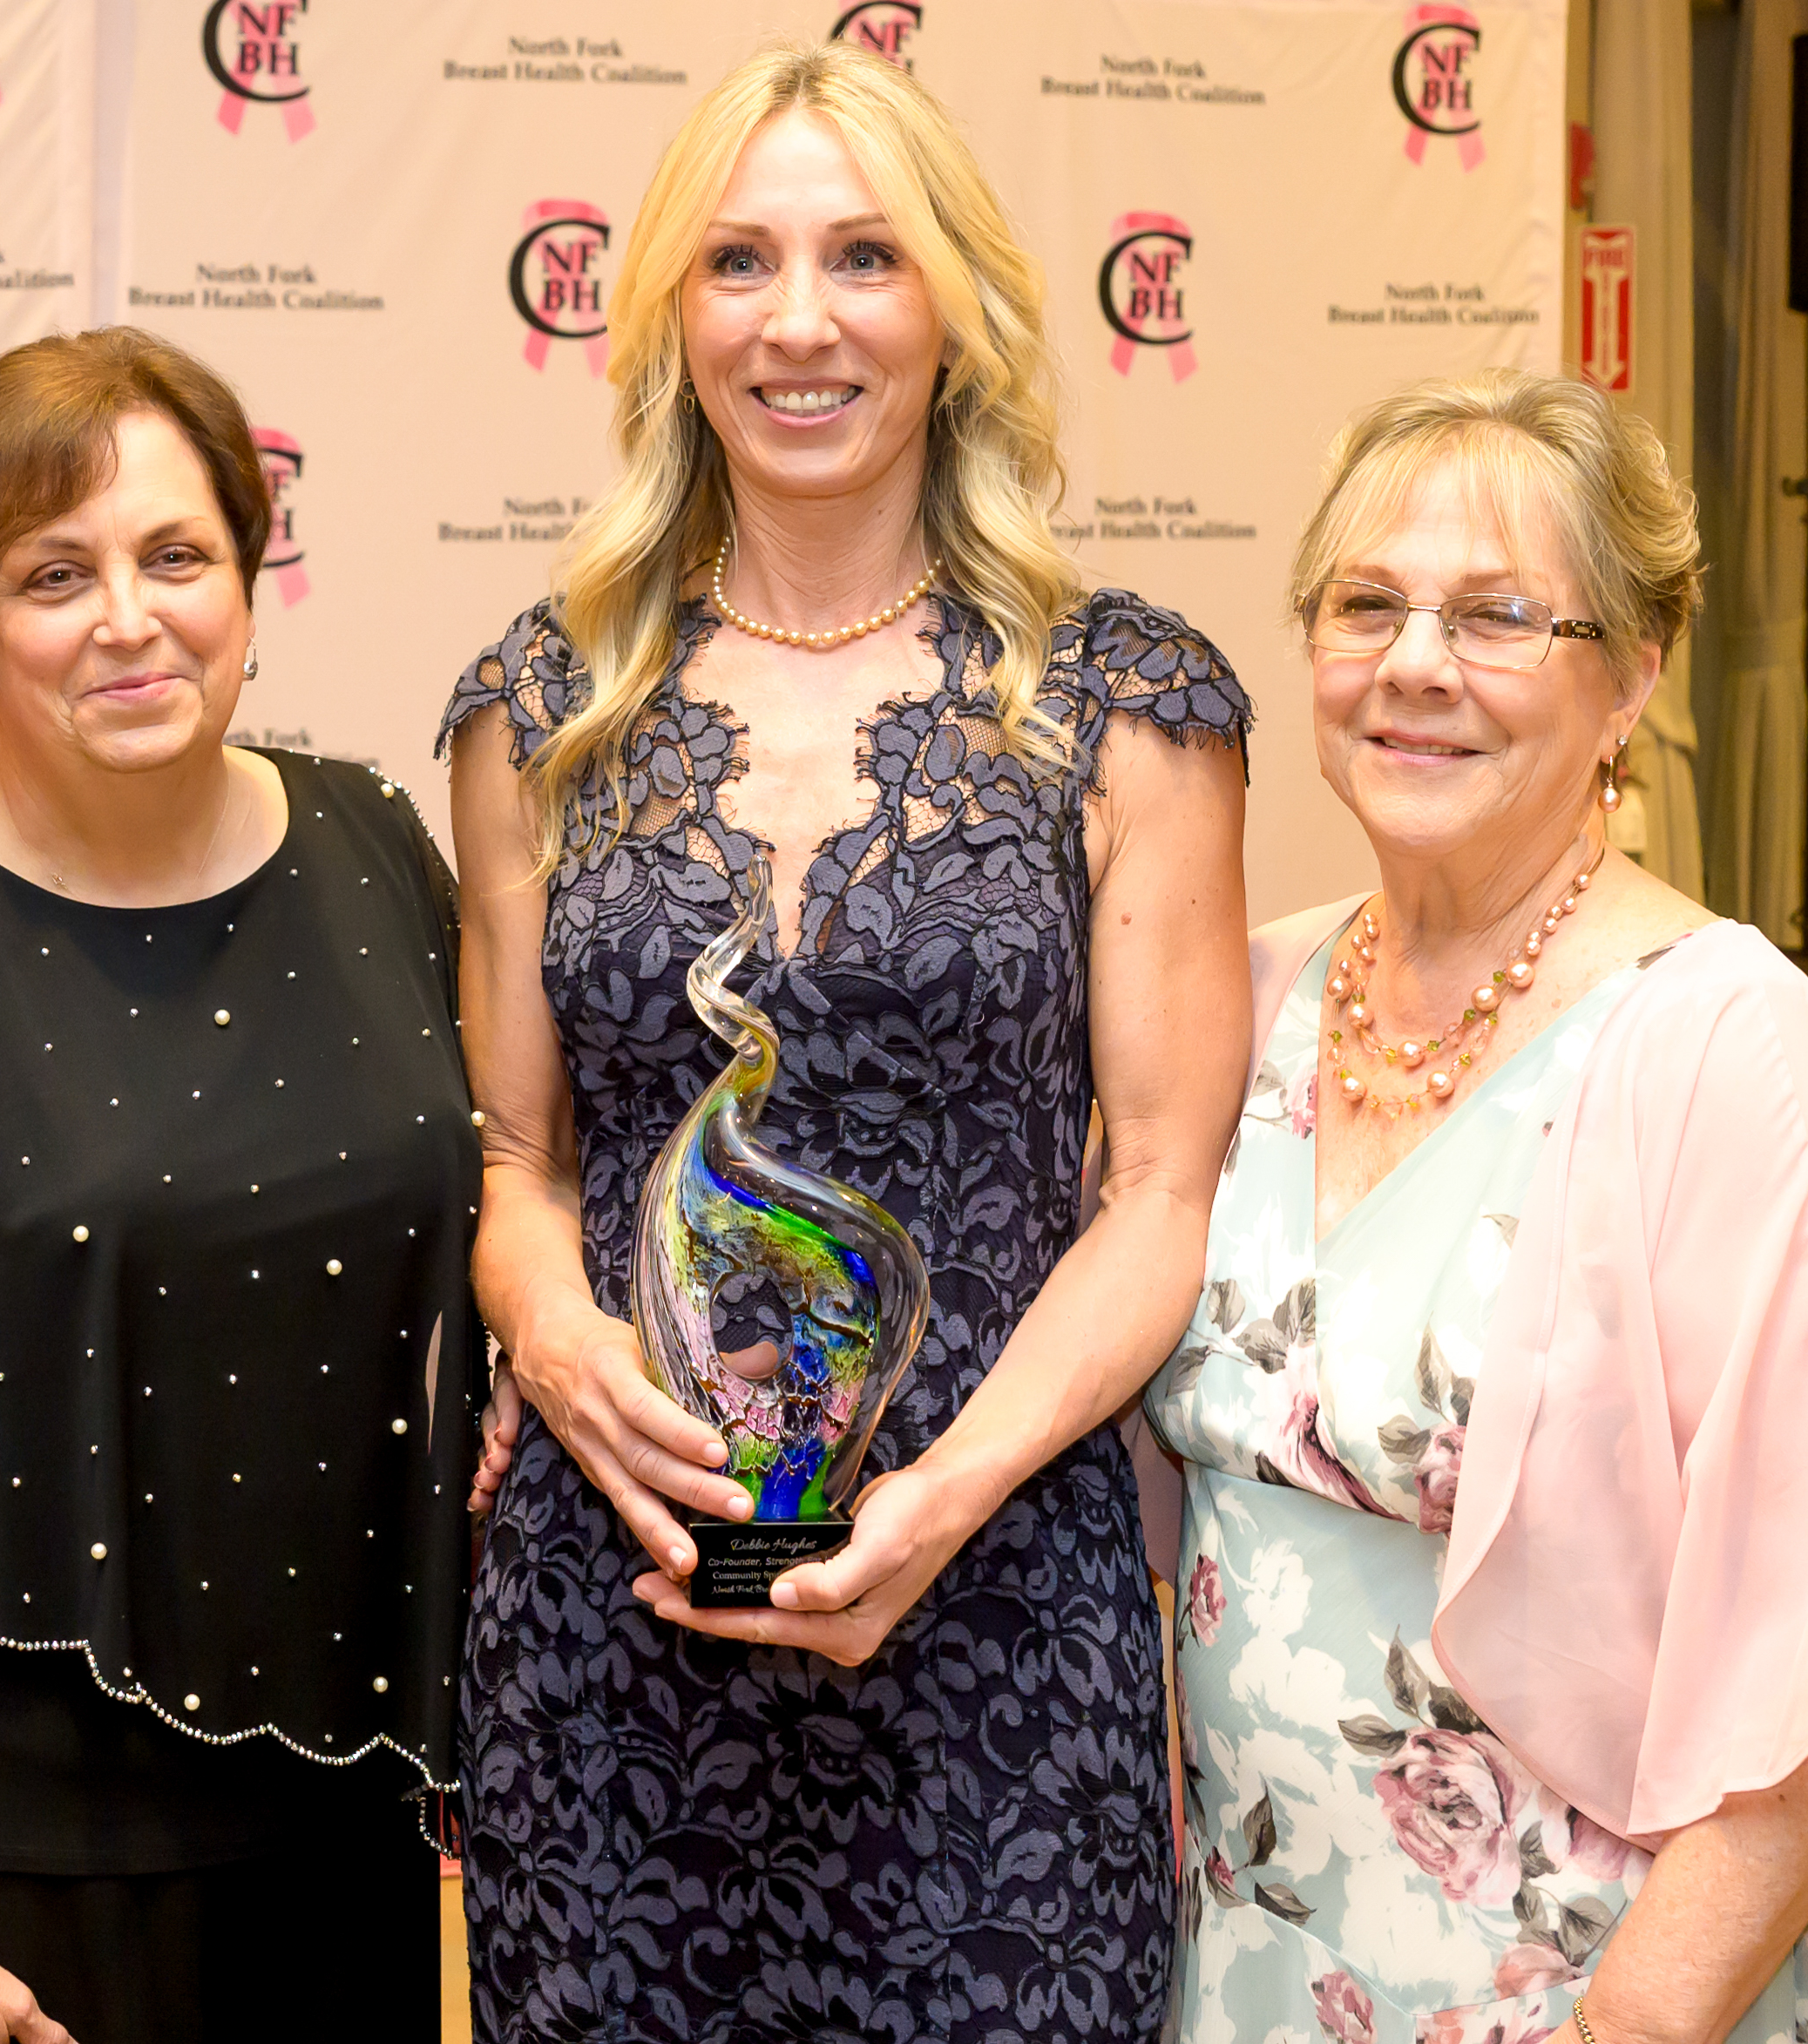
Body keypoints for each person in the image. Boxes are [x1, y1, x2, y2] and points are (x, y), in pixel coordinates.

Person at [443, 39, 1254, 2041]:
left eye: (862, 260)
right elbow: (515, 1162)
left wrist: (948, 1496)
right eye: (737, 262)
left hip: (994, 1604)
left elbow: (1160, 1185)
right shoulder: (539, 710)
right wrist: (553, 1342)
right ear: (667, 321)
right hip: (616, 1606)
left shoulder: (1124, 701)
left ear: (954, 313)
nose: (798, 322)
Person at [0, 327, 478, 2044]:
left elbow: (494, 1206)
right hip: (19, 1884)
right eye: (54, 575)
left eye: (175, 557)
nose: (129, 620)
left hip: (347, 1823)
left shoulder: (373, 843)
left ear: (249, 575)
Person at [1144, 368, 1808, 2044]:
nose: (1417, 663)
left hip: (1589, 1990)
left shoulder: (1732, 1045)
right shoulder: (1248, 992)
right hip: (1238, 1958)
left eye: (1503, 615)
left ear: (1633, 677)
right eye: (1369, 602)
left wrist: (1619, 2034)